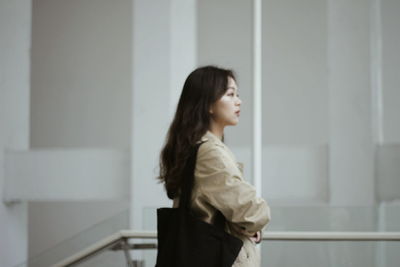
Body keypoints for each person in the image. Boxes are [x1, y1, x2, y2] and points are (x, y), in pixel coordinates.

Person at [158, 65, 271, 267]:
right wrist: (253, 222)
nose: (239, 101)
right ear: (208, 104)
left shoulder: (193, 146)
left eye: (237, 94)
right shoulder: (210, 153)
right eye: (230, 94)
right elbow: (252, 212)